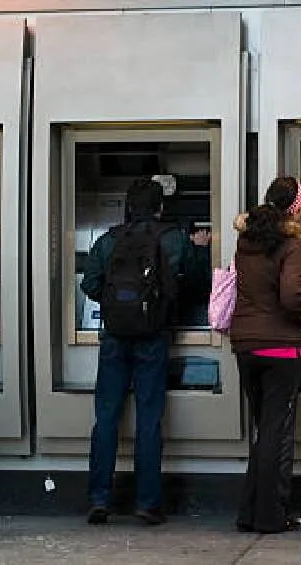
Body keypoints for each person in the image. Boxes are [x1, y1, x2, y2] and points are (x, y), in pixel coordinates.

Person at [80, 178, 208, 526]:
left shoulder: (108, 240)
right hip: (153, 336)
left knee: (106, 417)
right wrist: (197, 250)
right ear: (160, 207)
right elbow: (197, 284)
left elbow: (89, 284)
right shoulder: (174, 238)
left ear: (128, 206)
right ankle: (148, 502)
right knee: (149, 419)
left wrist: (119, 306)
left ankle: (98, 499)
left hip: (114, 338)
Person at [229, 176, 301, 534]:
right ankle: (271, 516)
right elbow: (290, 298)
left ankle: (249, 512)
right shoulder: (290, 244)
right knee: (277, 435)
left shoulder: (245, 240)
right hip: (279, 347)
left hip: (246, 344)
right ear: (296, 206)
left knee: (263, 431)